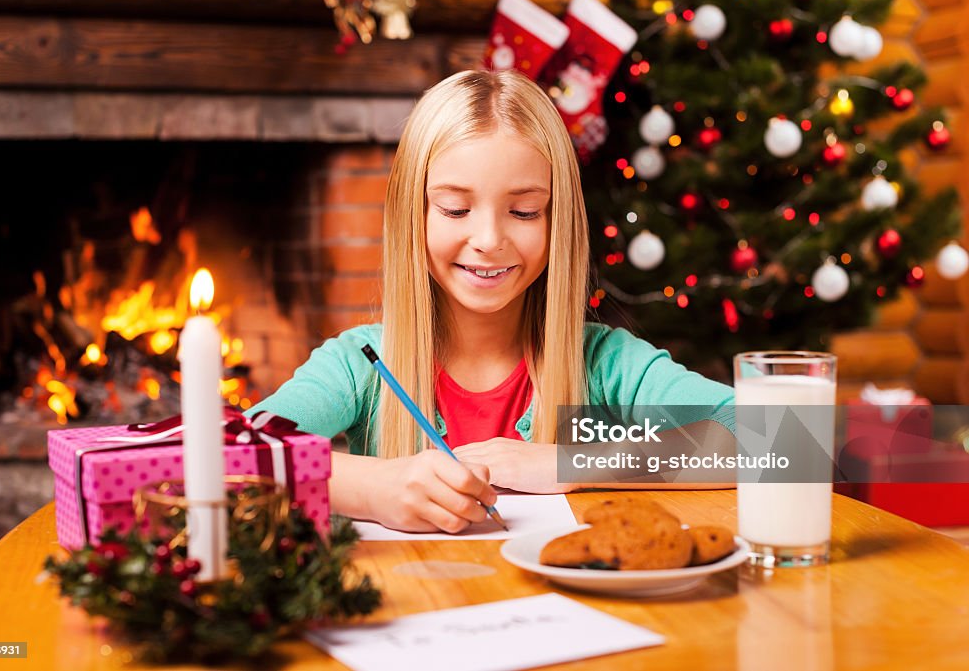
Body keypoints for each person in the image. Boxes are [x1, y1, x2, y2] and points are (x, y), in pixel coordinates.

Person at [249, 69, 733, 533]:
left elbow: (792, 442)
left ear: (556, 219)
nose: (488, 239)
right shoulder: (360, 365)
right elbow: (223, 456)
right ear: (411, 216)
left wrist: (571, 462)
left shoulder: (605, 363)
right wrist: (370, 488)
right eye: (455, 209)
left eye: (524, 211)